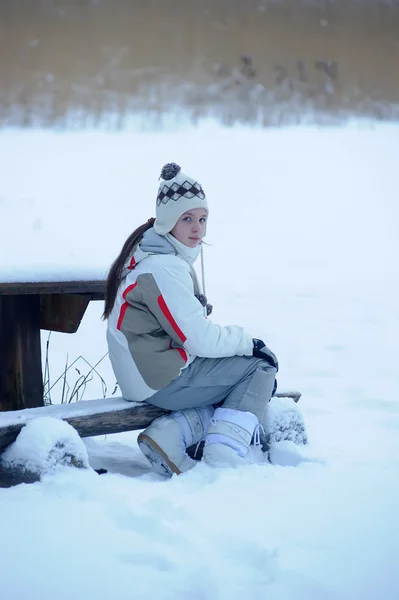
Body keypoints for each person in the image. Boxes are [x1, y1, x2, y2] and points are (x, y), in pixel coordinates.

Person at [103, 163, 278, 477]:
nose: (198, 228)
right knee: (260, 367)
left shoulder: (155, 259)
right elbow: (198, 338)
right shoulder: (163, 268)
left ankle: (170, 434)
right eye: (187, 219)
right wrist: (248, 342)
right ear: (168, 222)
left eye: (202, 219)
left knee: (239, 375)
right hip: (156, 380)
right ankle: (223, 456)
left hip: (147, 375)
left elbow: (187, 333)